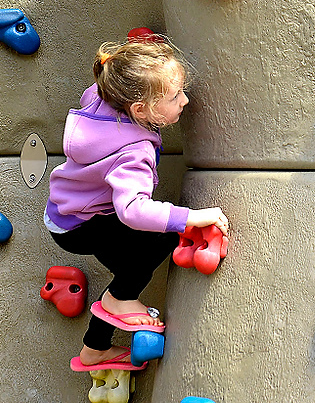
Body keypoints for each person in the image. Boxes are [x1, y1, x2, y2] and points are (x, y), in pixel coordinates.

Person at [45, 37, 229, 370]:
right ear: (140, 110)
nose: (185, 101)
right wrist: (191, 217)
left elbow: (121, 76)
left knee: (128, 273)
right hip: (84, 225)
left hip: (67, 212)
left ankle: (94, 350)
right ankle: (119, 300)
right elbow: (133, 211)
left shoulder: (104, 93)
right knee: (161, 239)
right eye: (175, 97)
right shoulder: (134, 154)